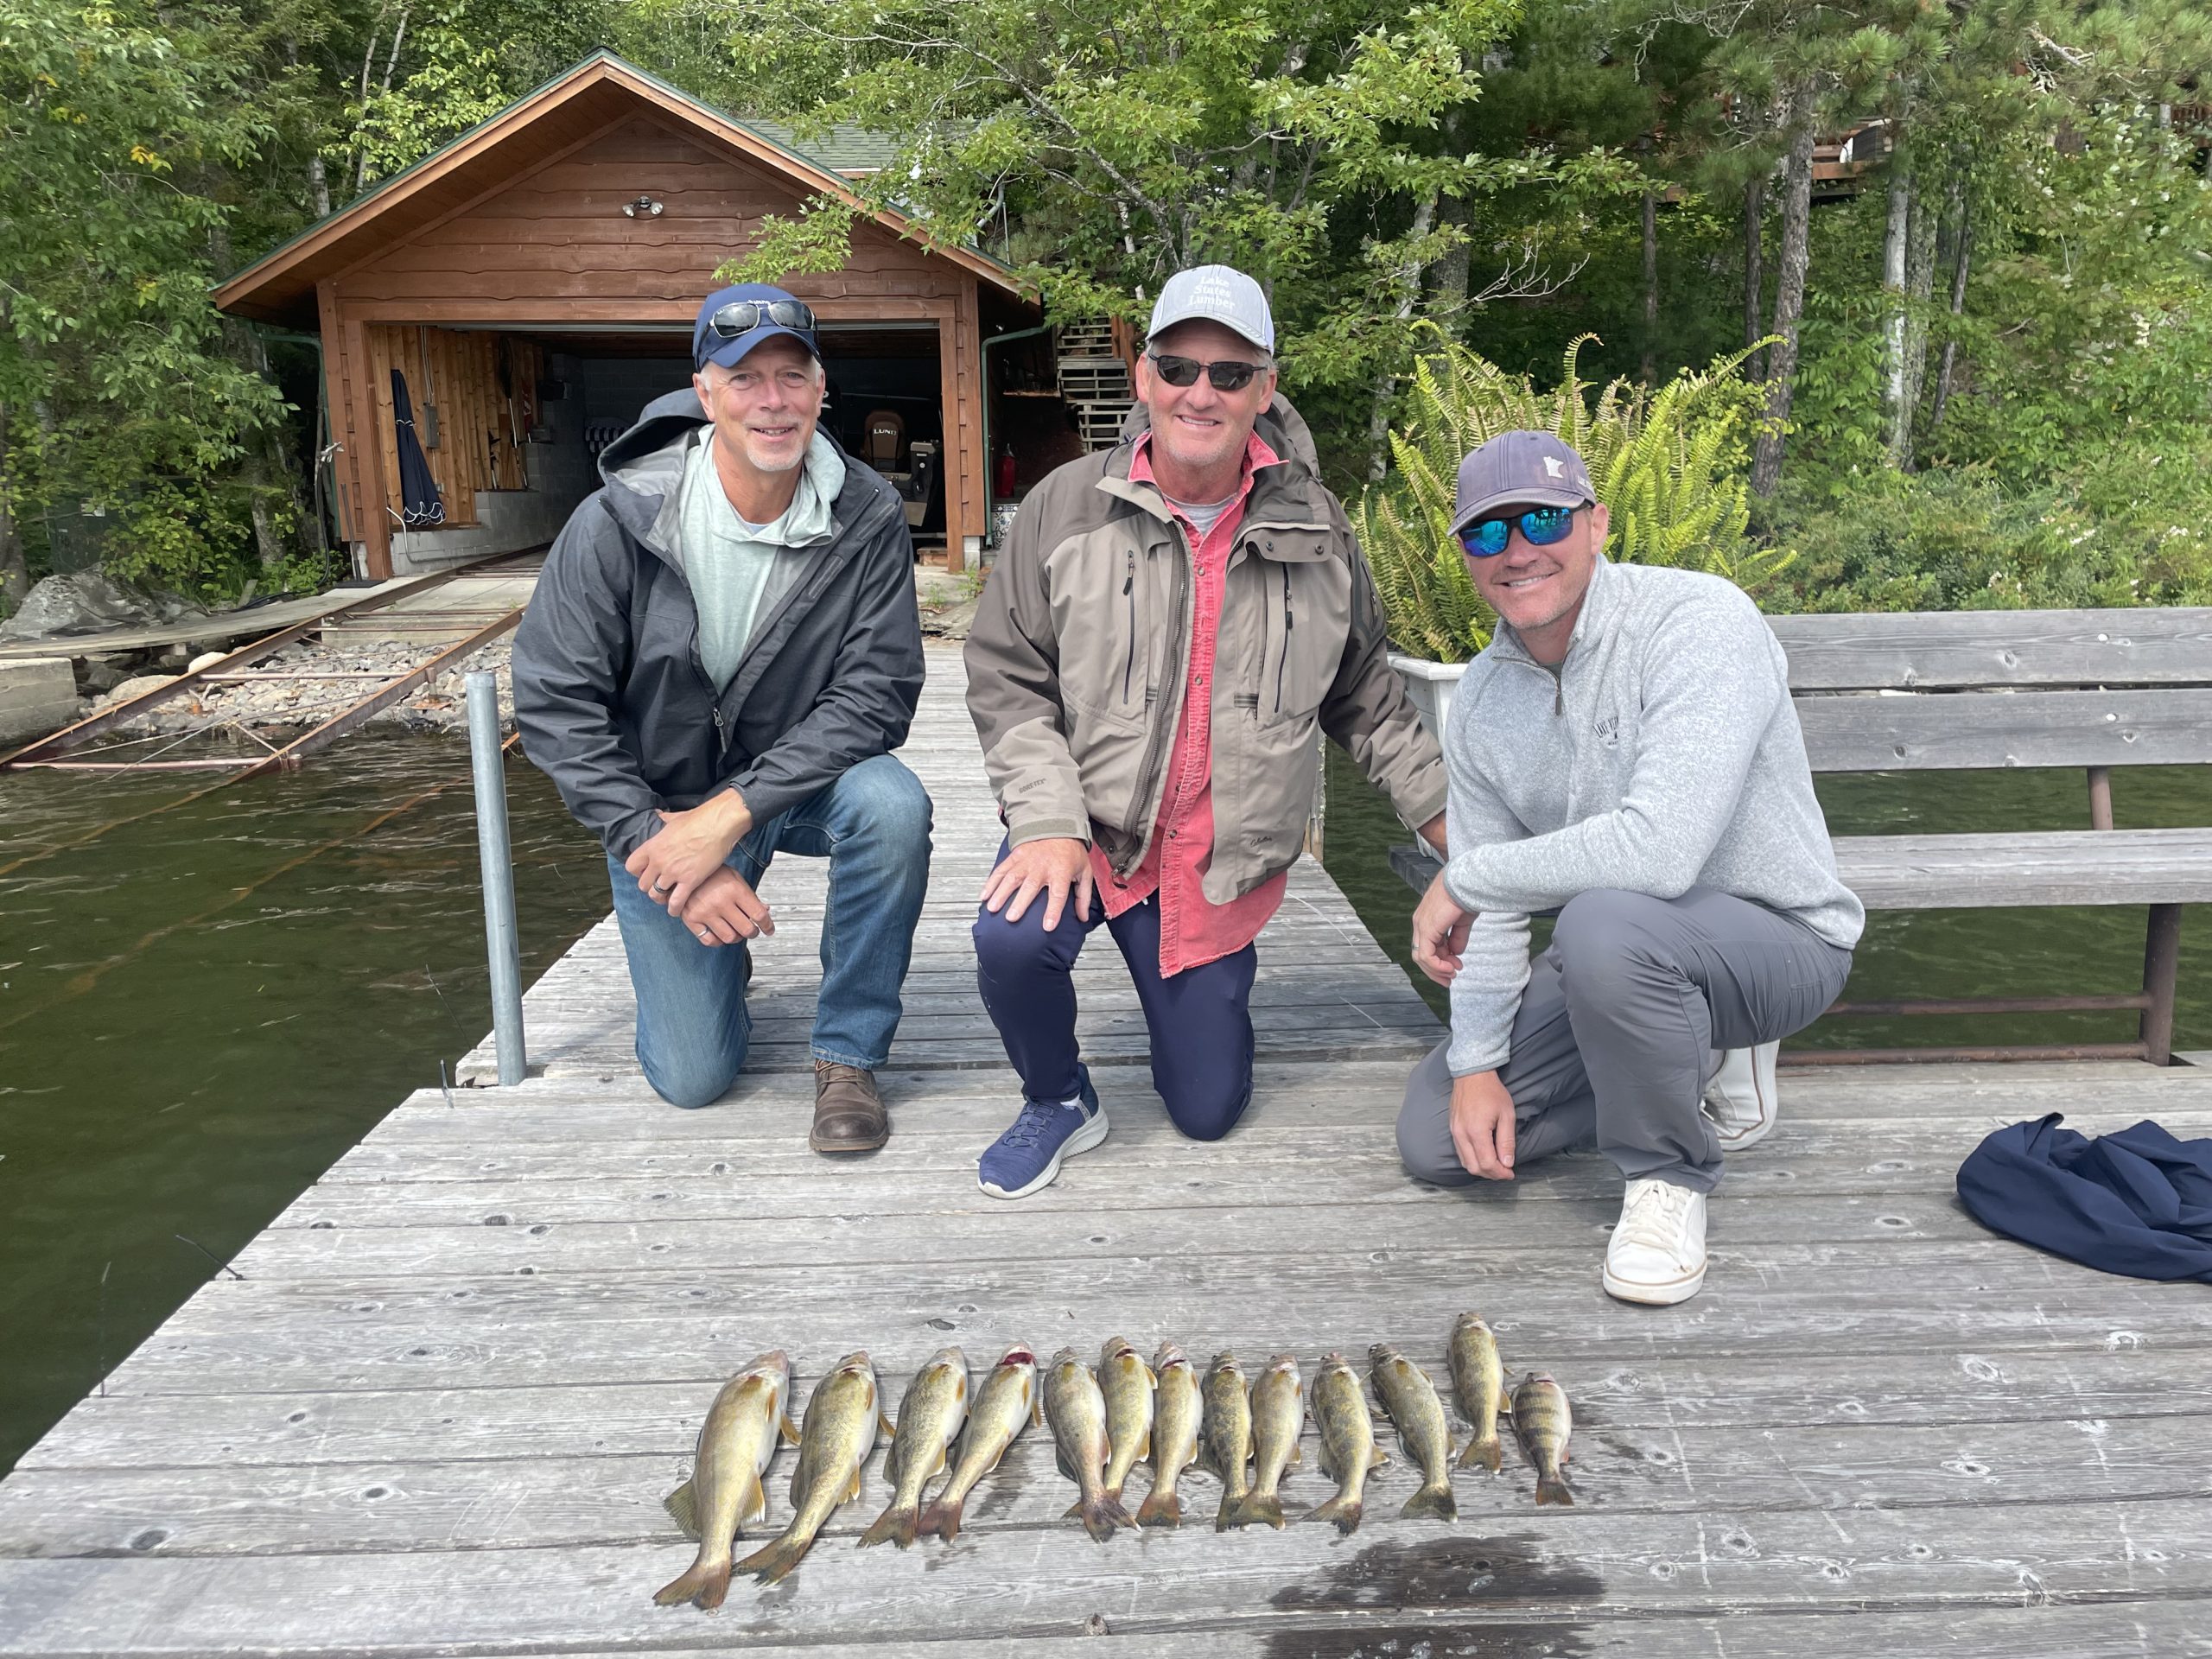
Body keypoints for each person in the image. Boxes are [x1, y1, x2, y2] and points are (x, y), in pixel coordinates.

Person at [963, 264, 1448, 1199]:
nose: (1201, 392)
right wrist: (1045, 822)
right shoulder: (1064, 506)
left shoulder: (1321, 527)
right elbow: (1006, 677)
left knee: (1206, 1109)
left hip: (1216, 854)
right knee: (1009, 939)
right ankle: (1057, 1096)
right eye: (1179, 367)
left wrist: (1447, 831)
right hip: (1088, 824)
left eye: (1231, 374)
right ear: (1144, 377)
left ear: (1264, 391)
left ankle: (1195, 1012)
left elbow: (1367, 699)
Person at [1395, 429, 1864, 1305]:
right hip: (1618, 961)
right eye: (1486, 534)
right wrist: (1473, 1066)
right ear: (1464, 556)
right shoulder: (1484, 705)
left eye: (1542, 518)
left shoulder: (1698, 621)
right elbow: (1495, 916)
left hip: (1778, 941)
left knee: (1600, 919)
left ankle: (1668, 1177)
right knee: (1434, 1140)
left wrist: (1464, 876)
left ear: (1596, 522)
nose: (1517, 551)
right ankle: (1680, 1070)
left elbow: (1659, 849)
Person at [512, 283, 931, 1152]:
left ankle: (847, 1054)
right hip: (657, 807)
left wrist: (727, 818)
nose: (770, 401)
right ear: (704, 393)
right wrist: (662, 845)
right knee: (693, 1080)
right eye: (744, 379)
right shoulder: (613, 522)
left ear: (822, 391)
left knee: (893, 807)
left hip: (793, 787)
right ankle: (714, 966)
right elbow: (555, 705)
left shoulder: (867, 515)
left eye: (792, 376)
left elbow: (878, 693)